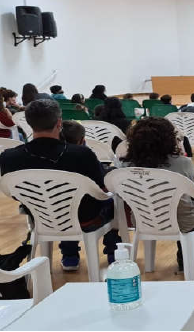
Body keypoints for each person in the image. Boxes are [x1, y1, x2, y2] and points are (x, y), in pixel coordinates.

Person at [0, 99, 121, 270]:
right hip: (85, 219)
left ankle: (69, 256)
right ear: (59, 123)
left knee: (63, 204)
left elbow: (13, 193)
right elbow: (103, 188)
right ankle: (114, 253)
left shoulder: (8, 157)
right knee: (112, 201)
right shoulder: (81, 154)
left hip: (41, 218)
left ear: (28, 122)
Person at [120, 117, 194, 270]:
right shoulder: (183, 163)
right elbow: (192, 194)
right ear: (168, 139)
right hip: (184, 221)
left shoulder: (124, 166)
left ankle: (153, 266)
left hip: (143, 220)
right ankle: (188, 259)